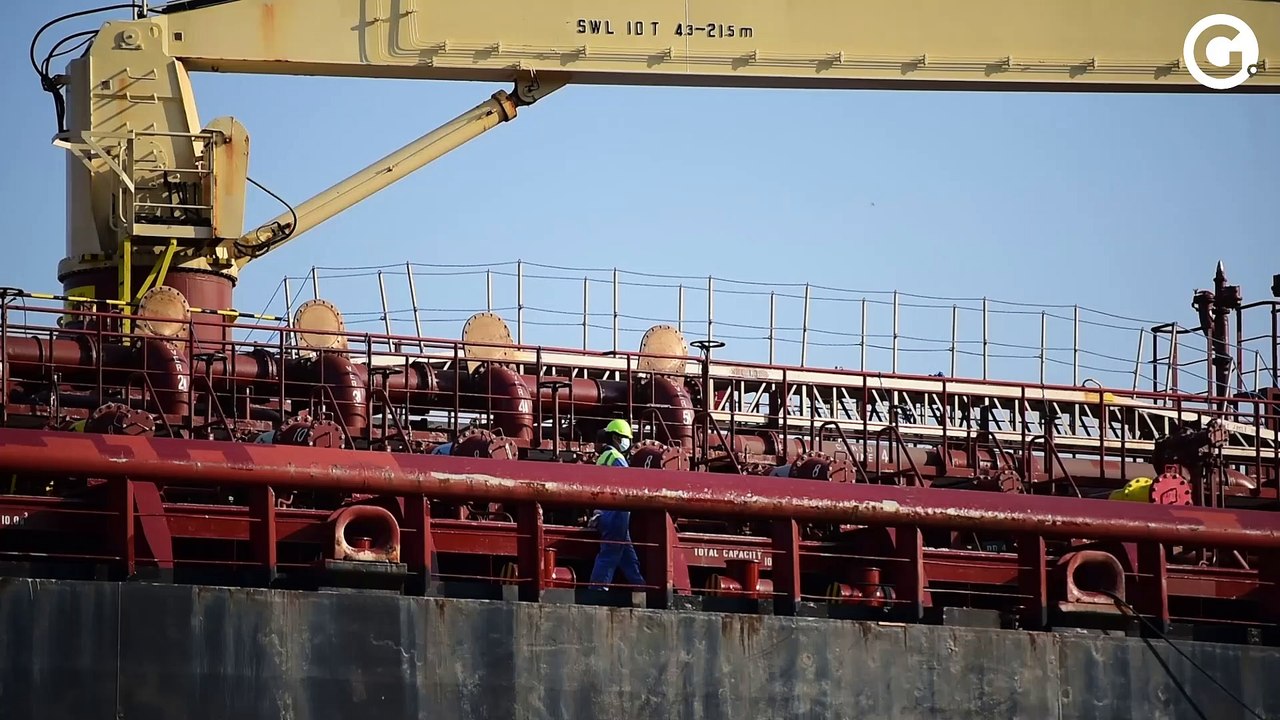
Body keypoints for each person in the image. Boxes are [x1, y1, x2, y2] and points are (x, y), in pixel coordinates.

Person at [588, 419, 645, 591]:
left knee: (627, 555)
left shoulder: (603, 457)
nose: (627, 443)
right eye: (624, 438)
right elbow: (627, 484)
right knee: (610, 553)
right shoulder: (616, 457)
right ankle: (597, 591)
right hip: (616, 514)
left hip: (607, 513)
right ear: (615, 438)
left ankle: (641, 587)